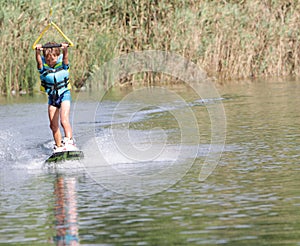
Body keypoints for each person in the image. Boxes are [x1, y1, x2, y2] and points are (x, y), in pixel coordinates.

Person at [35, 42, 77, 153]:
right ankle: (59, 147)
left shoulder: (63, 64)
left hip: (64, 95)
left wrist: (65, 49)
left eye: (52, 59)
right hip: (52, 98)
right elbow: (39, 61)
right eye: (48, 60)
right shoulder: (43, 68)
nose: (50, 62)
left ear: (58, 57)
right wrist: (37, 51)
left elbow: (66, 57)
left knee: (64, 120)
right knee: (53, 125)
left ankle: (69, 142)